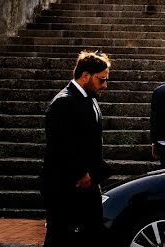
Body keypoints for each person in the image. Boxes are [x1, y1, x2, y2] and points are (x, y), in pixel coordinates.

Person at [40, 50, 112, 247]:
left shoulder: (89, 98)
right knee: (60, 237)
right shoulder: (64, 101)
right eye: (102, 80)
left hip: (87, 184)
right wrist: (80, 173)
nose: (105, 85)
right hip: (67, 186)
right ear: (86, 76)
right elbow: (59, 144)